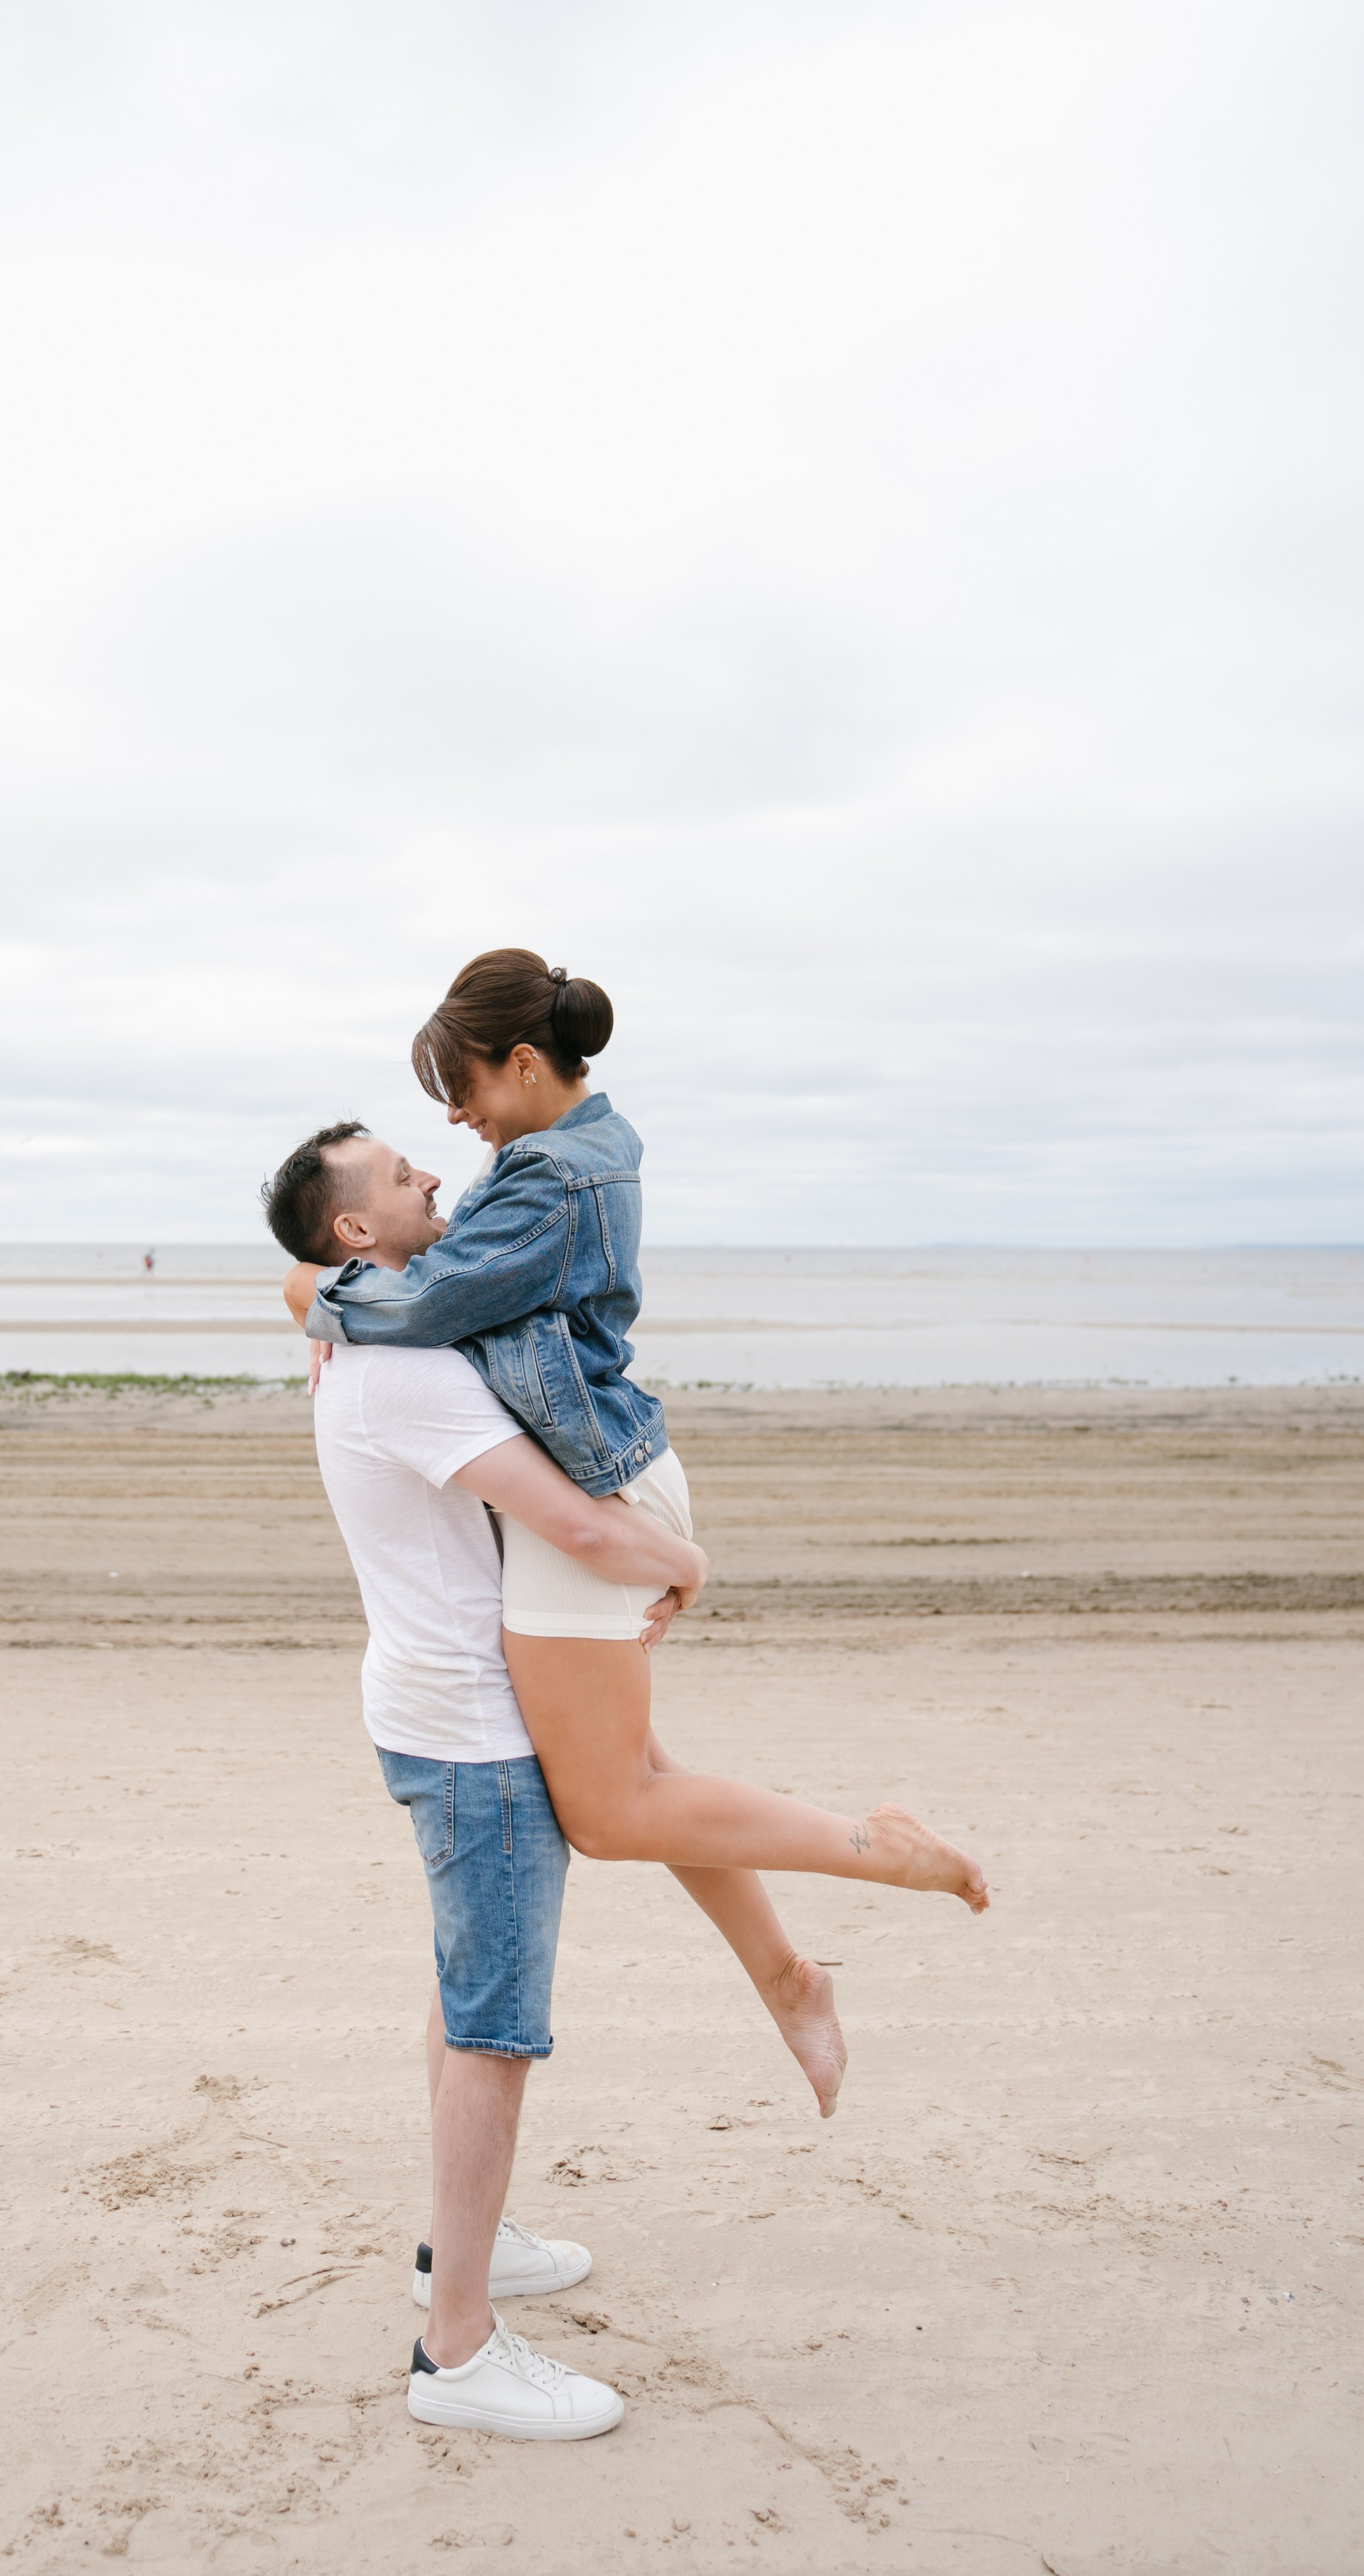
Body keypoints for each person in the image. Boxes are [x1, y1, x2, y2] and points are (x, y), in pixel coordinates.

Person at [282, 951, 987, 2117]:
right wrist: (320, 1288)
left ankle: (878, 1848)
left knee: (611, 1812)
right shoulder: (551, 1155)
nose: (453, 1122)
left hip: (597, 1501)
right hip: (595, 1488)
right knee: (643, 1778)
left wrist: (315, 1293)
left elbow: (425, 1300)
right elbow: (424, 1286)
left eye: (463, 1089)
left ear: (523, 1062)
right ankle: (788, 1975)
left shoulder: (554, 1183)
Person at [260, 1126, 716, 2440]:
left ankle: (467, 2245)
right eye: (402, 1175)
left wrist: (313, 1296)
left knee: (468, 1994)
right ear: (358, 1233)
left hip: (428, 1705)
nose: (430, 1179)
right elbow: (572, 1523)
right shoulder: (408, 1372)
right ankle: (456, 2349)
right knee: (496, 2030)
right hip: (472, 1733)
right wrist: (686, 1565)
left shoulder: (375, 1335)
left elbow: (304, 1285)